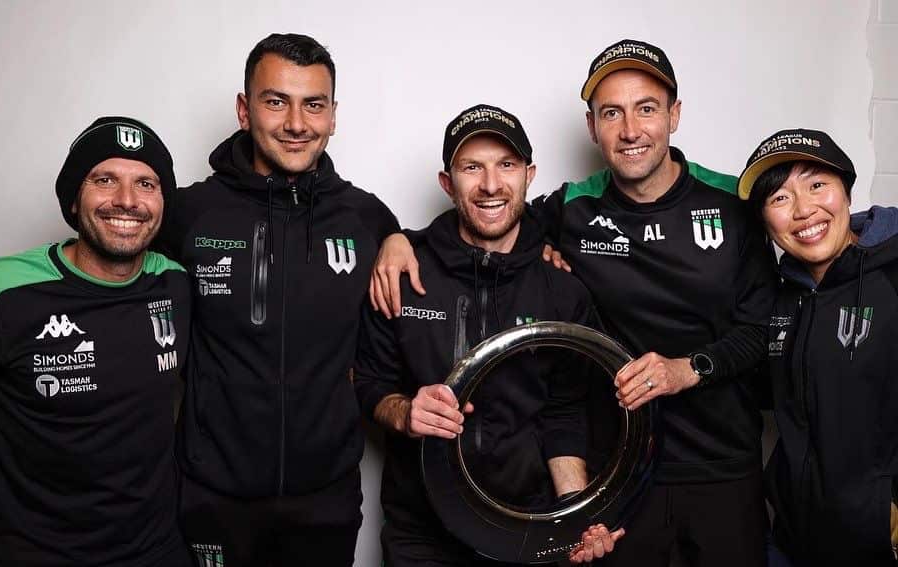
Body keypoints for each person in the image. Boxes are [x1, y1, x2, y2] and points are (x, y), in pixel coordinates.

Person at [371, 39, 777, 567]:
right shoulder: (570, 208)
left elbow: (762, 328)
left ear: (674, 115)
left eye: (647, 108)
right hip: (624, 472)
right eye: (612, 113)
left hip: (723, 468)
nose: (630, 130)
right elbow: (493, 219)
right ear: (592, 127)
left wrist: (688, 369)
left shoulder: (736, 205)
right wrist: (397, 238)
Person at [157, 33, 400, 566]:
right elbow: (109, 260)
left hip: (325, 497)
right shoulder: (188, 214)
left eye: (313, 105)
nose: (296, 123)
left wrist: (546, 249)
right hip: (212, 493)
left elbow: (436, 245)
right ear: (244, 111)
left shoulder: (365, 217)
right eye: (276, 101)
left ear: (333, 116)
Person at [354, 104, 623, 566]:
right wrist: (405, 413)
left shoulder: (561, 288)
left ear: (529, 175)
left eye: (506, 165)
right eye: (471, 167)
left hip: (526, 526)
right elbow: (369, 383)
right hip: (422, 532)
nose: (492, 185)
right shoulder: (402, 272)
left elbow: (565, 413)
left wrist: (574, 515)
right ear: (447, 182)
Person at [0, 116, 191, 566]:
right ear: (73, 198)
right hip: (34, 551)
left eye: (146, 183)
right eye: (105, 179)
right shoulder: (5, 289)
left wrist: (393, 239)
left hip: (156, 550)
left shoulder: (175, 284)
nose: (127, 201)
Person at [739, 128, 898, 567]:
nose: (804, 210)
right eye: (780, 198)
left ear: (846, 191)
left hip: (877, 546)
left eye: (816, 185)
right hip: (791, 542)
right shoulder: (780, 296)